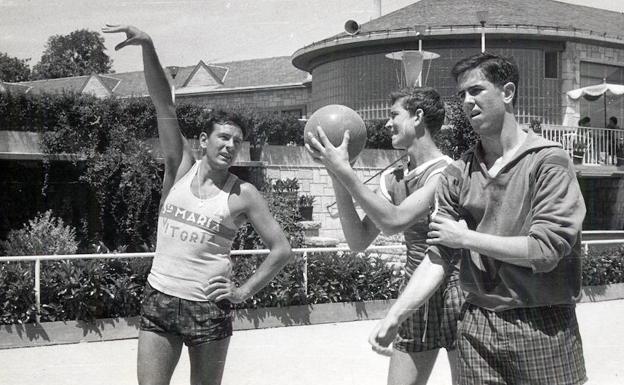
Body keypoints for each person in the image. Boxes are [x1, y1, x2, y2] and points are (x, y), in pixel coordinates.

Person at [102, 25, 292, 385]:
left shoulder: (243, 193)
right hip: (160, 299)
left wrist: (242, 292)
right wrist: (148, 45)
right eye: (223, 137)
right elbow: (164, 103)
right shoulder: (180, 168)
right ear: (204, 140)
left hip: (208, 308)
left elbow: (282, 250)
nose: (230, 146)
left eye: (237, 141)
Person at [381, 52, 585, 384]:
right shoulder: (458, 172)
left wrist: (465, 239)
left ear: (507, 92)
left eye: (476, 90)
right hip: (476, 323)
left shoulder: (548, 162)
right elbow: (438, 254)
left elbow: (546, 251)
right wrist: (396, 313)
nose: (467, 101)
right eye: (461, 94)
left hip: (542, 324)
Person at [305, 87, 464, 385]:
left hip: (457, 290)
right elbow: (358, 240)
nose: (387, 124)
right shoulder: (393, 178)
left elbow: (395, 221)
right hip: (414, 292)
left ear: (418, 117)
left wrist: (346, 172)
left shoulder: (447, 171)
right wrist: (338, 175)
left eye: (394, 115)